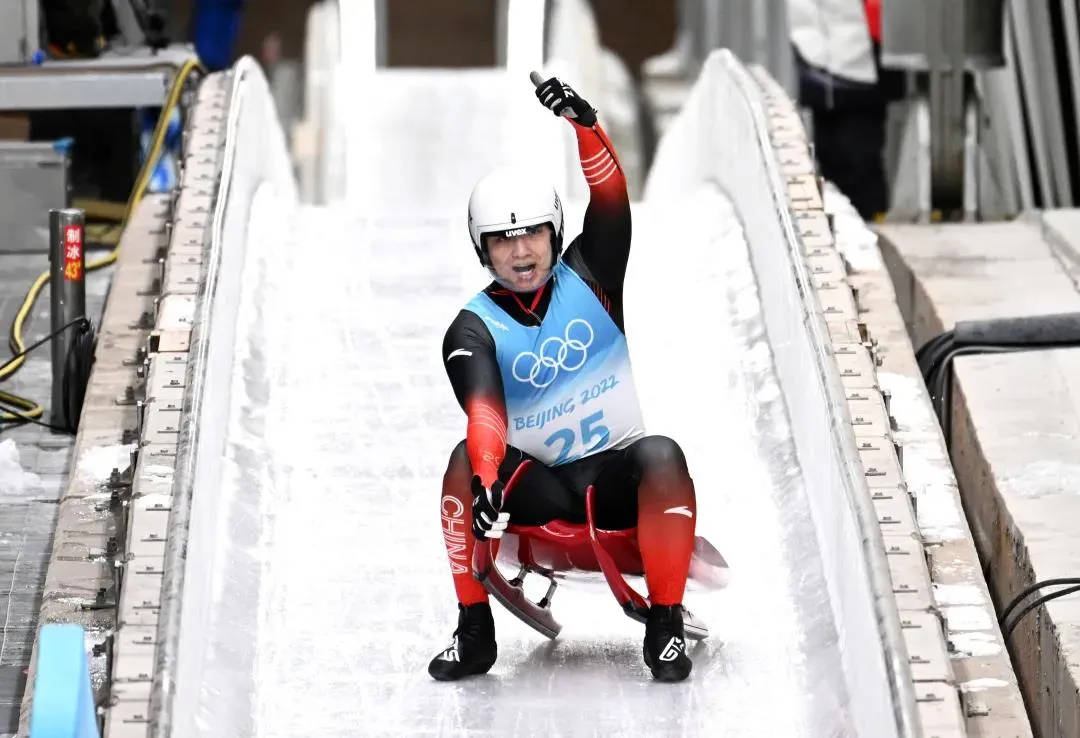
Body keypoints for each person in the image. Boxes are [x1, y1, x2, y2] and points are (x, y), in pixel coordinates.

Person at [428, 76, 699, 683]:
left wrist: (585, 127)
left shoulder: (593, 274)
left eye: (532, 233)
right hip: (539, 491)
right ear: (482, 249)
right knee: (459, 464)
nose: (520, 251)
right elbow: (485, 415)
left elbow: (610, 198)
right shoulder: (471, 329)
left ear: (554, 233)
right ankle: (474, 631)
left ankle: (666, 623)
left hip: (617, 477)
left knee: (664, 454)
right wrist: (490, 477)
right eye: (503, 238)